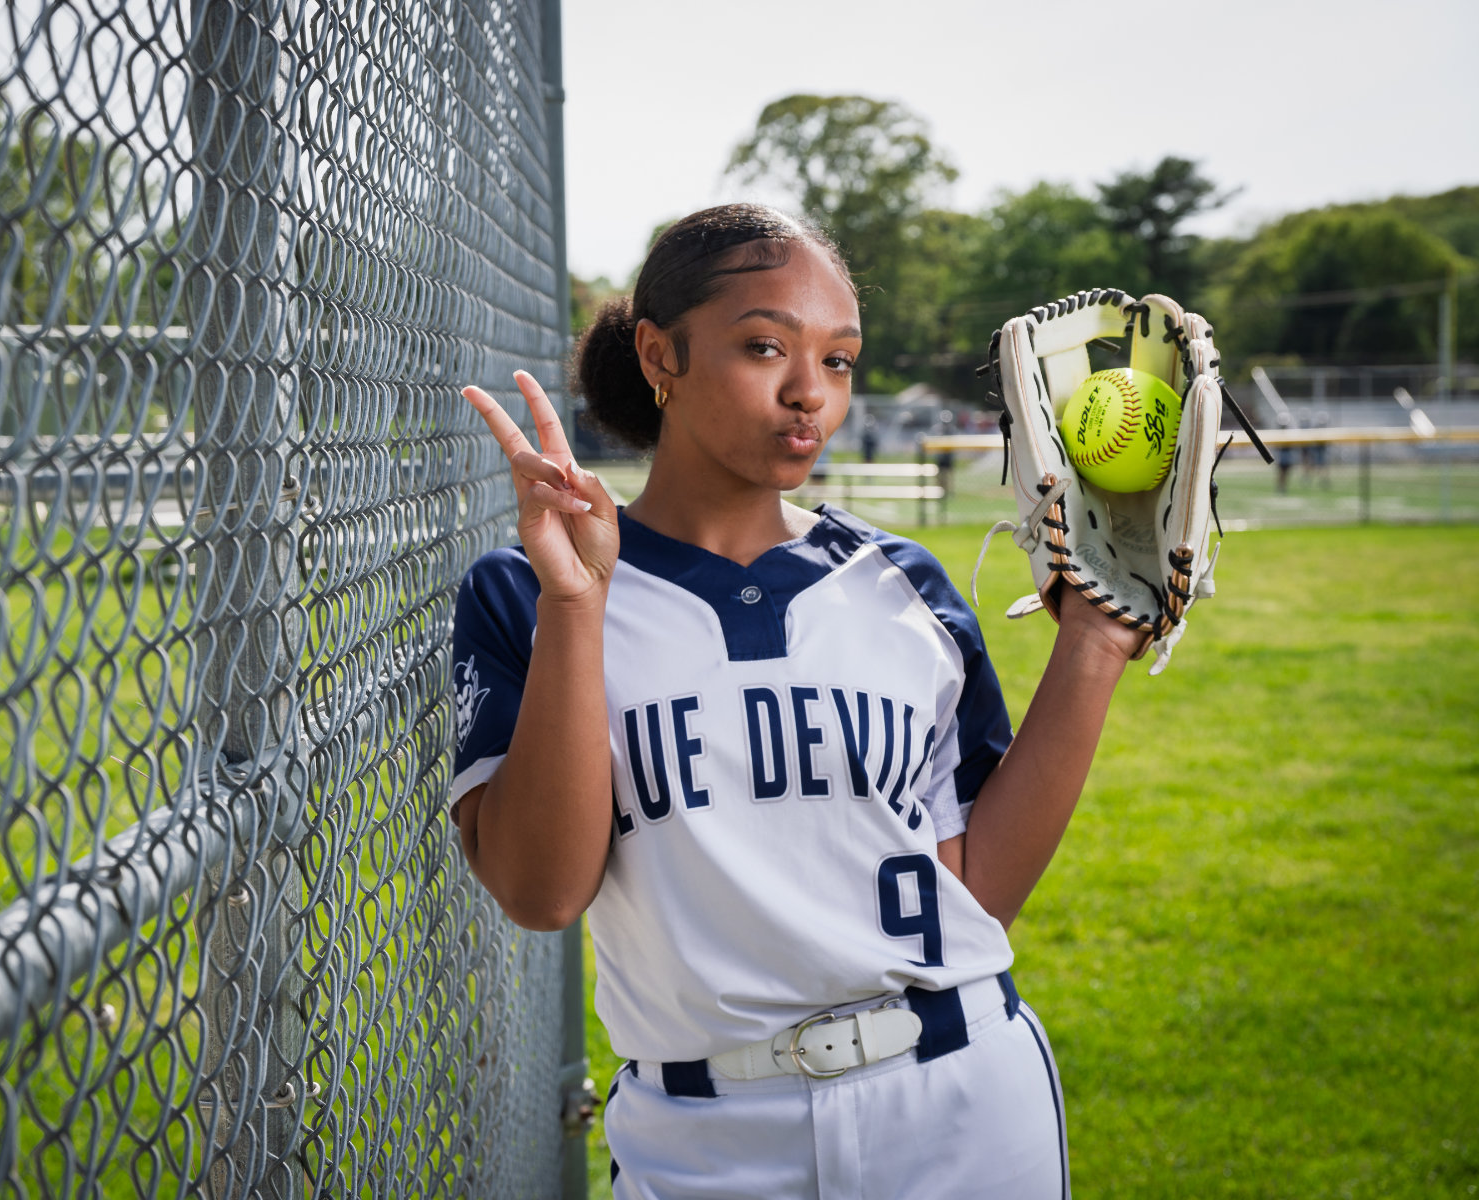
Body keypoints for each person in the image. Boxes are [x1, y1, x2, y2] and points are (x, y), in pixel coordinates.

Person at [451, 204, 1139, 1198]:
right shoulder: (525, 588)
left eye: (841, 360)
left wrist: (1096, 644)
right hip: (707, 1138)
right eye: (765, 346)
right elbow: (539, 891)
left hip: (962, 1098)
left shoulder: (903, 582)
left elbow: (978, 886)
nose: (808, 392)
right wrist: (576, 603)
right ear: (661, 355)